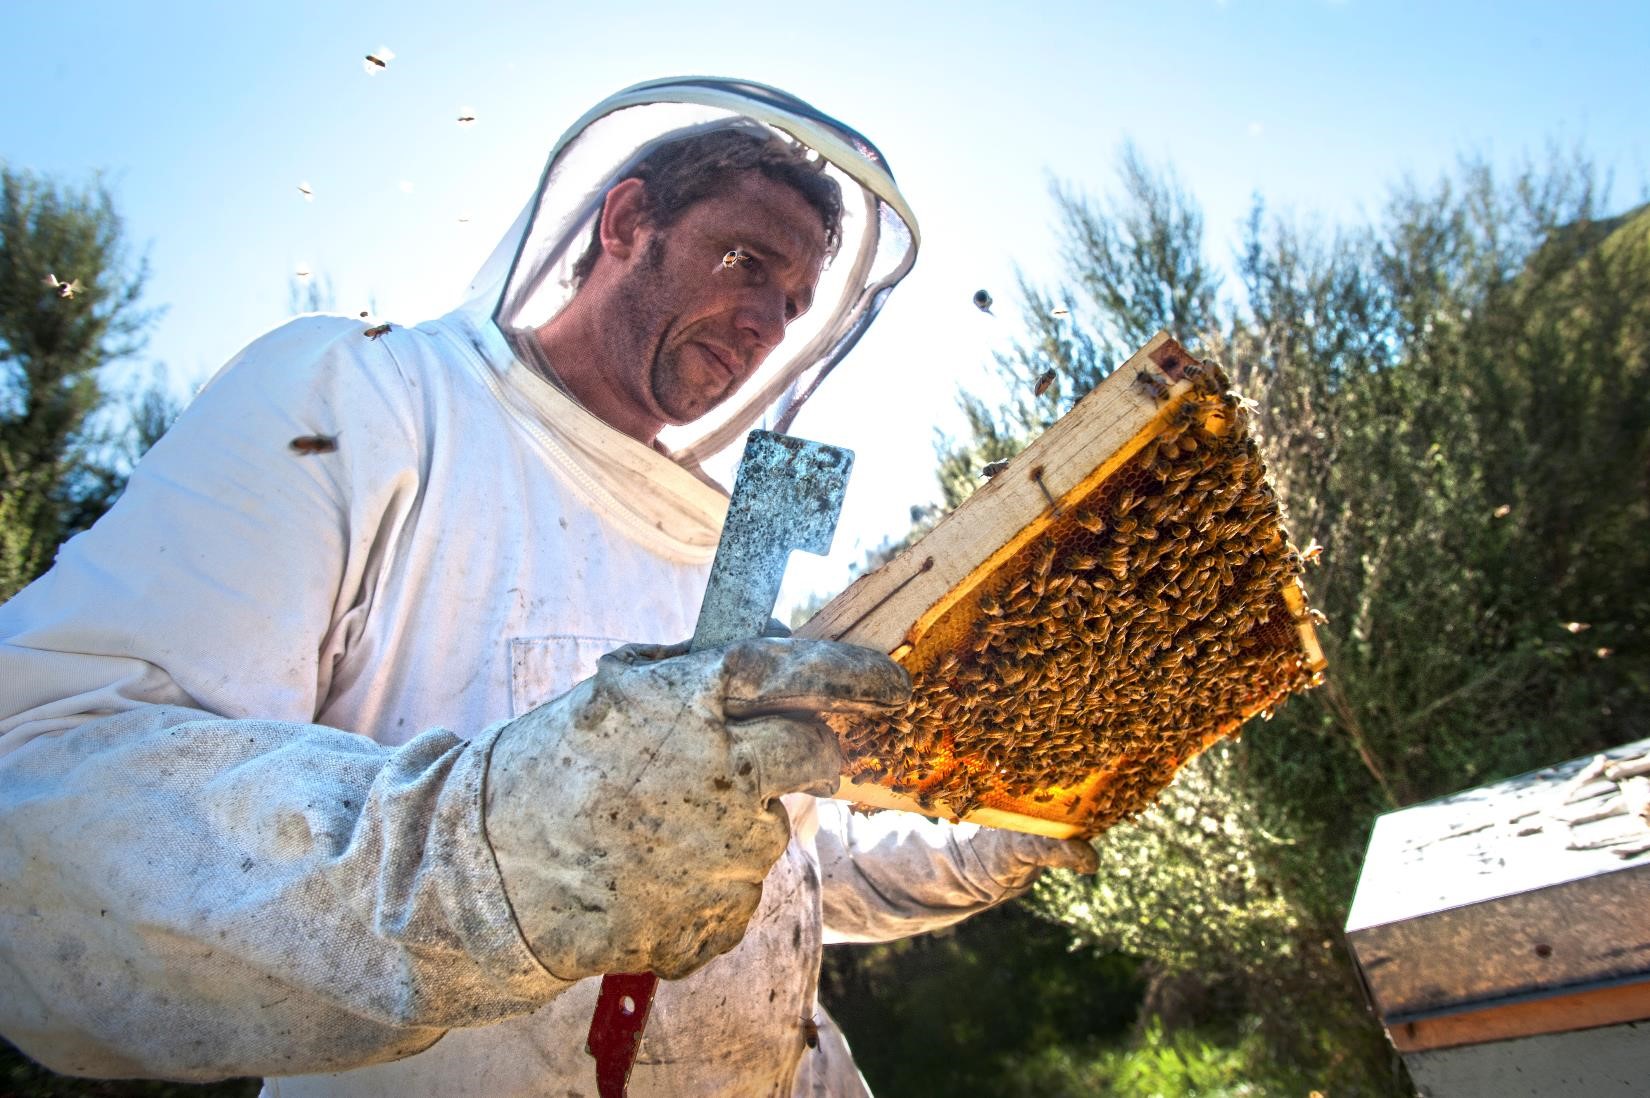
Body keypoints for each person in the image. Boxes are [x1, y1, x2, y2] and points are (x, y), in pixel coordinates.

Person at [0, 78, 1096, 1096]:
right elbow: (50, 790)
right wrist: (508, 854)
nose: (768, 323)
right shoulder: (369, 399)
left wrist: (989, 837)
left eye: (796, 300)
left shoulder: (729, 557)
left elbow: (771, 875)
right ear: (626, 224)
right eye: (744, 261)